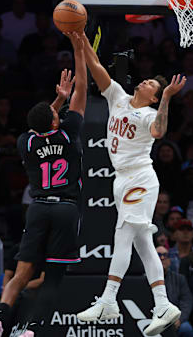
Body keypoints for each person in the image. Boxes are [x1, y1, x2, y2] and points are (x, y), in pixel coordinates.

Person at [74, 30, 186, 336]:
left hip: (140, 177)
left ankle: (109, 299)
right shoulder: (118, 97)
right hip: (120, 179)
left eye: (152, 84)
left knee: (123, 233)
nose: (146, 81)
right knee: (142, 242)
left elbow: (160, 132)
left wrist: (165, 99)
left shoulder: (151, 112)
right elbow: (96, 68)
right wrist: (81, 38)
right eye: (149, 80)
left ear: (153, 96)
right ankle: (162, 304)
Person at [0, 31, 88, 337]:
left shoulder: (25, 142)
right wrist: (79, 47)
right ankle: (32, 329)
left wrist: (58, 99)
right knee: (53, 277)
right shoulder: (68, 132)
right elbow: (82, 86)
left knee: (21, 273)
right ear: (56, 121)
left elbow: (41, 120)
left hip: (37, 207)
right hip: (65, 209)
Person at [157, 246, 193, 337]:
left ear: (170, 260)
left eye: (165, 255)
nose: (162, 258)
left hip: (175, 319)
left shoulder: (180, 279)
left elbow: (187, 301)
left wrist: (180, 319)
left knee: (186, 329)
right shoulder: (143, 279)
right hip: (153, 319)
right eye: (158, 255)